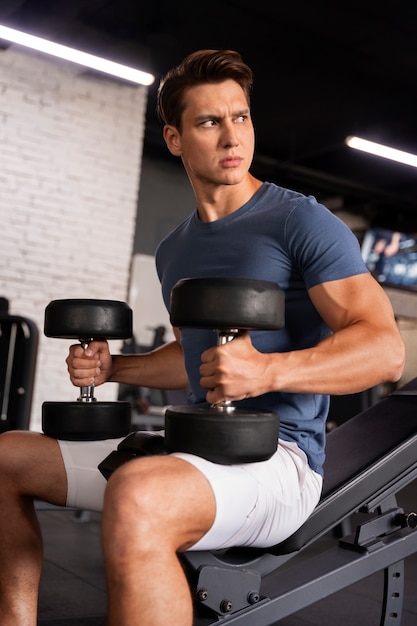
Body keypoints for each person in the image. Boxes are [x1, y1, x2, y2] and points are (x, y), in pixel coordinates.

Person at [0, 49, 405, 626]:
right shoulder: (175, 250)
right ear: (174, 137)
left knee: (139, 493)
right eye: (209, 122)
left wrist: (267, 371)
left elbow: (386, 352)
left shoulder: (301, 221)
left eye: (240, 117)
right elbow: (199, 361)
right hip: (196, 449)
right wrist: (117, 369)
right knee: (7, 457)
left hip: (280, 461)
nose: (231, 136)